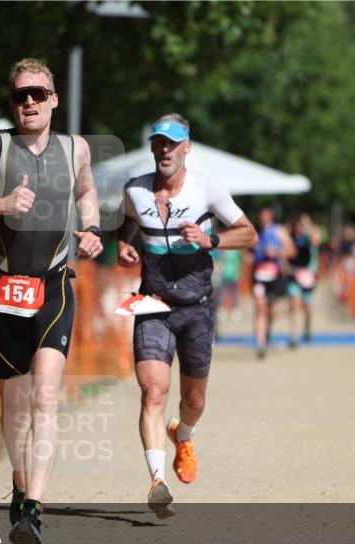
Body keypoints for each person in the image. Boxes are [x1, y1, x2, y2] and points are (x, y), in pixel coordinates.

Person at [0, 58, 102, 544]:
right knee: (15, 406)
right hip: (4, 290)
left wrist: (91, 229)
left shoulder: (76, 148)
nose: (28, 102)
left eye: (37, 93)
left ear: (53, 98)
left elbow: (88, 190)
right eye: (19, 96)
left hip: (53, 286)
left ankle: (32, 508)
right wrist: (0, 205)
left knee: (46, 397)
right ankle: (20, 476)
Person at [116, 113, 257, 516]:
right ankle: (157, 481)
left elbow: (249, 234)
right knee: (153, 391)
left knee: (193, 399)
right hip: (153, 305)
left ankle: (185, 434)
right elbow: (124, 226)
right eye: (159, 142)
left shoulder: (207, 190)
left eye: (172, 143)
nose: (165, 149)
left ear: (187, 148)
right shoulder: (135, 190)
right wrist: (123, 248)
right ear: (152, 148)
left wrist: (211, 239)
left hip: (197, 308)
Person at [251, 205, 294, 358]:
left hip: (274, 275)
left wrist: (276, 253)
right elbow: (246, 251)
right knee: (260, 307)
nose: (263, 219)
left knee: (270, 311)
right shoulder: (254, 233)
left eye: (266, 216)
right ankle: (260, 345)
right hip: (258, 276)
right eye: (261, 217)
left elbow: (292, 250)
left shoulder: (278, 231)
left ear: (271, 217)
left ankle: (267, 332)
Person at [285, 212, 320, 345]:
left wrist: (308, 224)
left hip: (308, 275)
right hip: (294, 274)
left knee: (307, 306)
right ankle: (294, 336)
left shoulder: (309, 236)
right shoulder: (290, 236)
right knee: (294, 304)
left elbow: (316, 240)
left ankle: (307, 326)